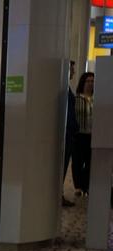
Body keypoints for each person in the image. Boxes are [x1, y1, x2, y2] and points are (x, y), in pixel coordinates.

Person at [73, 72, 94, 197]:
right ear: (83, 82)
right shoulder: (77, 98)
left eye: (92, 81)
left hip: (92, 135)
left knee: (90, 162)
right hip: (79, 134)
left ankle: (85, 185)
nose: (91, 83)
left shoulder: (96, 98)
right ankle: (78, 186)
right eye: (88, 81)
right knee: (78, 161)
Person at [63, 61, 78, 207]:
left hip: (69, 134)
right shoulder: (63, 90)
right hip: (65, 134)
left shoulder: (67, 89)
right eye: (71, 69)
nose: (73, 72)